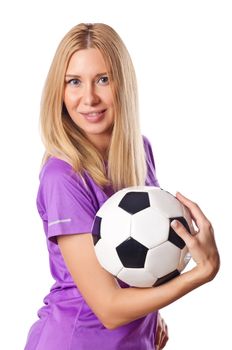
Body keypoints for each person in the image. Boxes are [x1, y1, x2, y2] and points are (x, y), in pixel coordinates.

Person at [24, 23, 220, 350]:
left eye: (103, 79)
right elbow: (109, 309)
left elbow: (146, 249)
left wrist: (152, 317)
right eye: (74, 82)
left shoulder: (139, 150)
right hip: (74, 341)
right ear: (58, 91)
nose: (89, 98)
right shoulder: (63, 176)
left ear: (123, 84)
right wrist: (201, 273)